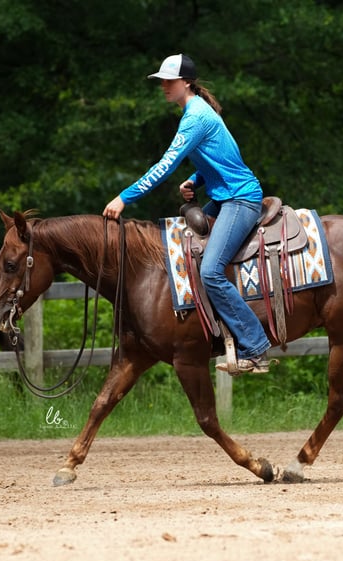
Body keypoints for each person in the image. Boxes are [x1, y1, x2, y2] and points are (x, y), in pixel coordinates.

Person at [102, 53, 273, 375]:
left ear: (187, 83)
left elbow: (165, 166)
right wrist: (197, 178)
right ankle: (208, 331)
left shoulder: (196, 117)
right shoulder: (197, 113)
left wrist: (125, 198)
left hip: (240, 200)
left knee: (209, 271)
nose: (164, 86)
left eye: (170, 81)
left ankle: (255, 346)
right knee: (184, 253)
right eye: (162, 81)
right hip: (226, 198)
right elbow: (225, 159)